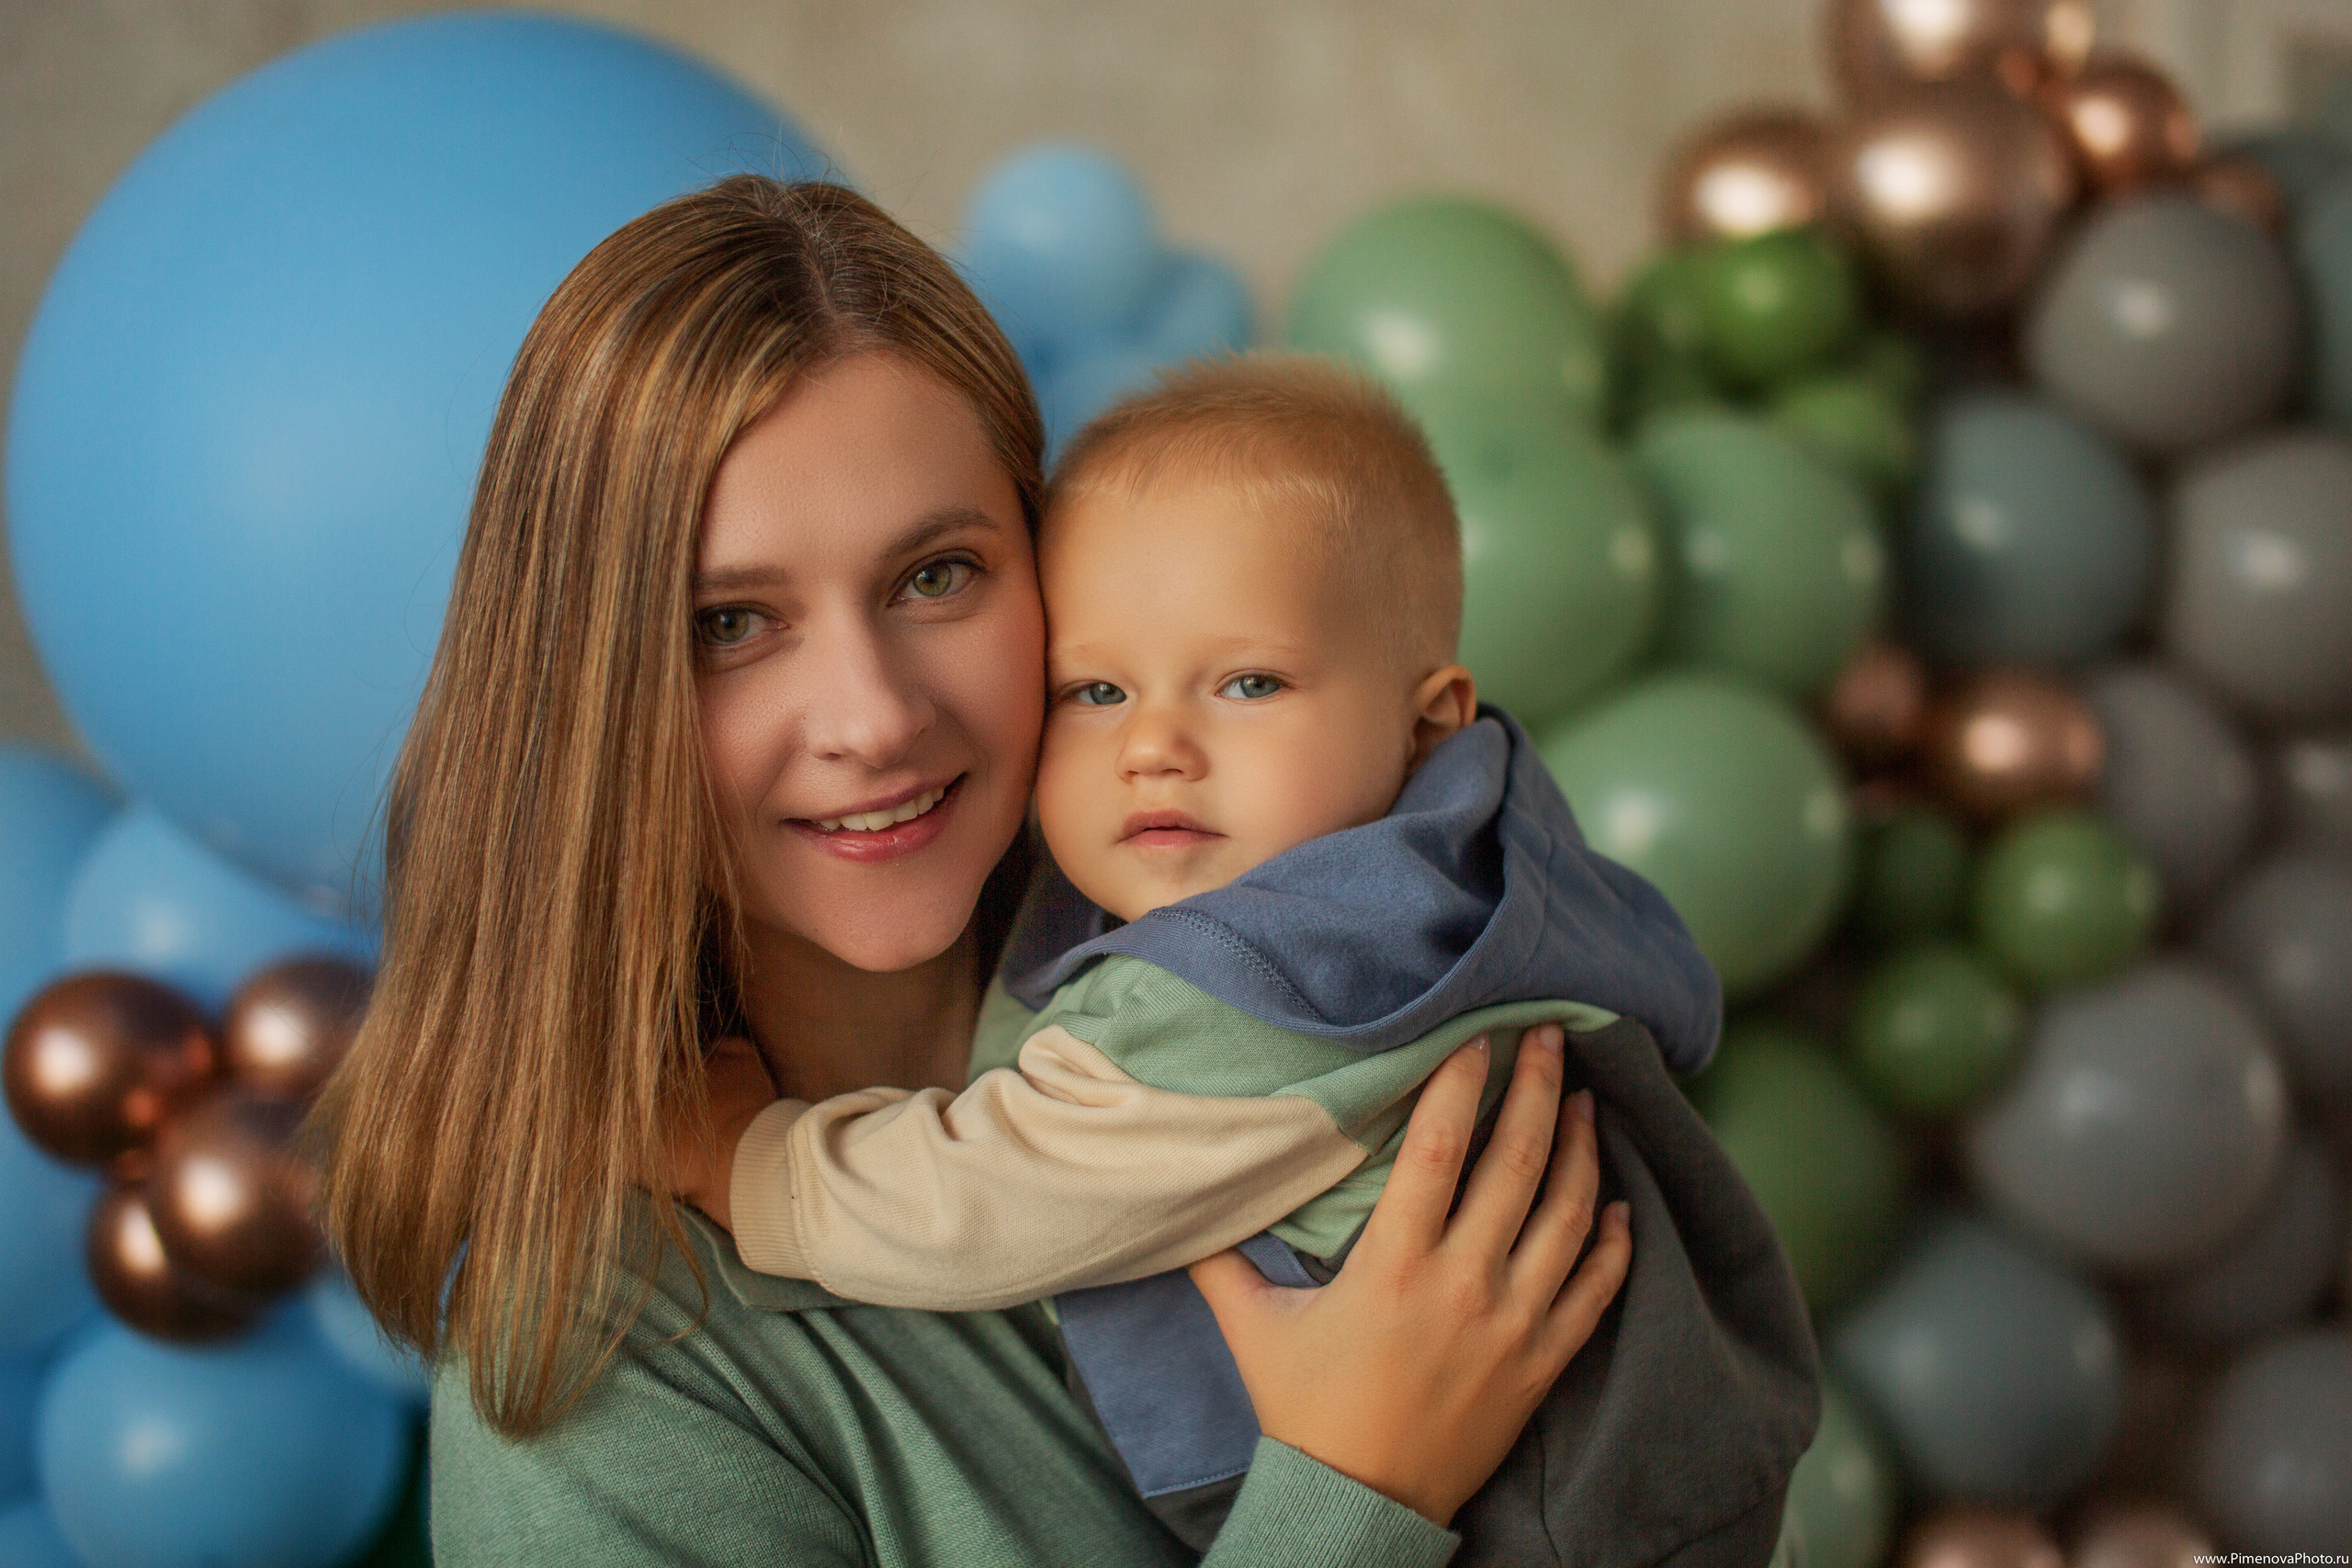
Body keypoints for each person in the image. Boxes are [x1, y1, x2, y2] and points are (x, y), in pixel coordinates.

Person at [313, 175, 1635, 1568]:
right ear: (585, 693)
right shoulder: (605, 1381)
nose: (874, 717)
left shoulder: (1336, 961)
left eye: (936, 577)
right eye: (732, 622)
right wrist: (1356, 1495)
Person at [671, 356, 1820, 1565]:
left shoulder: (1270, 977)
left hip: (1554, 1522)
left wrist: (747, 1163)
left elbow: (986, 1199)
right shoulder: (1480, 862)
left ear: (1428, 721)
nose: (1156, 746)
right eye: (1098, 689)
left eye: (1249, 682)